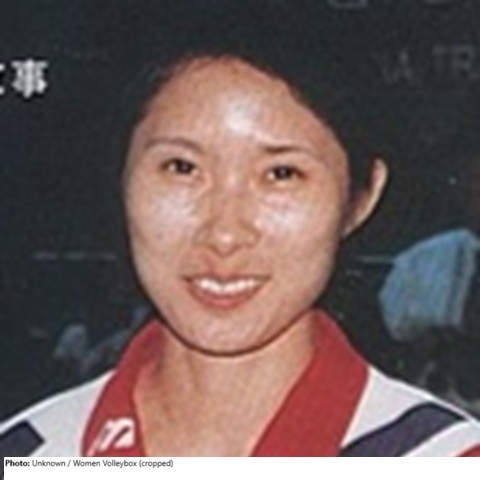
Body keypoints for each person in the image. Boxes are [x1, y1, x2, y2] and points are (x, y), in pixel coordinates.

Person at [2, 16, 480, 457]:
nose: (225, 234)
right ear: (122, 177)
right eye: (182, 167)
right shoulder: (34, 454)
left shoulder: (437, 458)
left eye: (282, 174)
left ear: (361, 197)